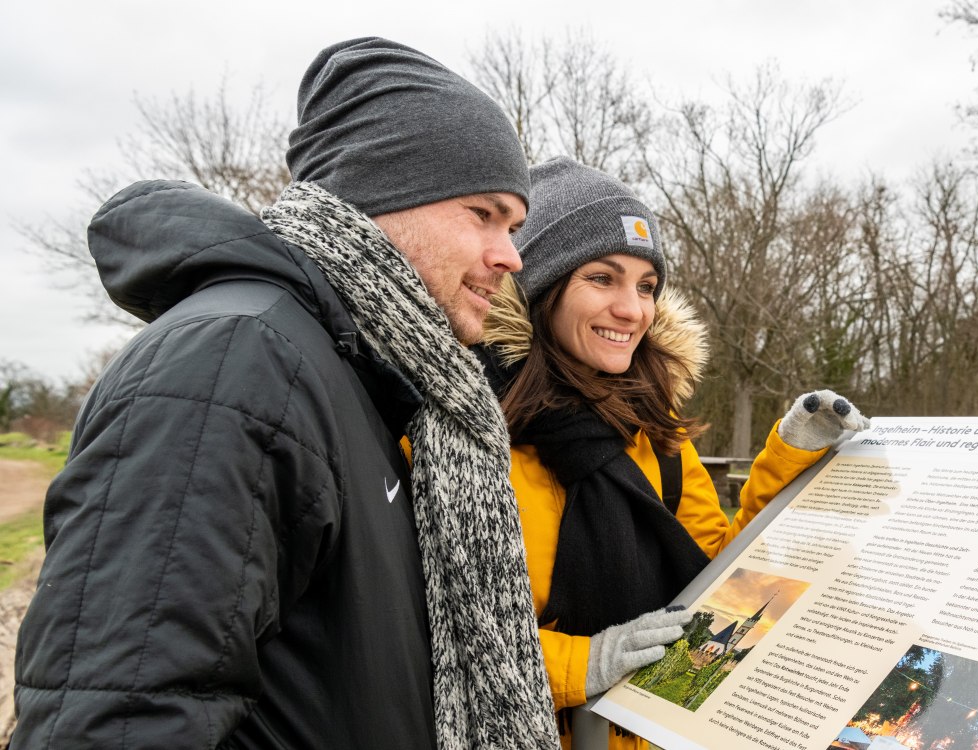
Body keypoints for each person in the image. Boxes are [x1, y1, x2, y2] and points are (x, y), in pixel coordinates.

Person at [12, 38, 561, 749]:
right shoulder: (232, 368)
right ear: (380, 196)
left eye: (514, 227)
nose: (510, 257)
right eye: (483, 214)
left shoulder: (367, 380)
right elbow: (119, 718)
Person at [476, 157, 871, 749]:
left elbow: (718, 578)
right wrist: (580, 663)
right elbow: (432, 628)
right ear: (541, 288)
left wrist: (794, 463)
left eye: (646, 286)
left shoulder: (654, 435)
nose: (632, 310)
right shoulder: (466, 435)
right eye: (602, 279)